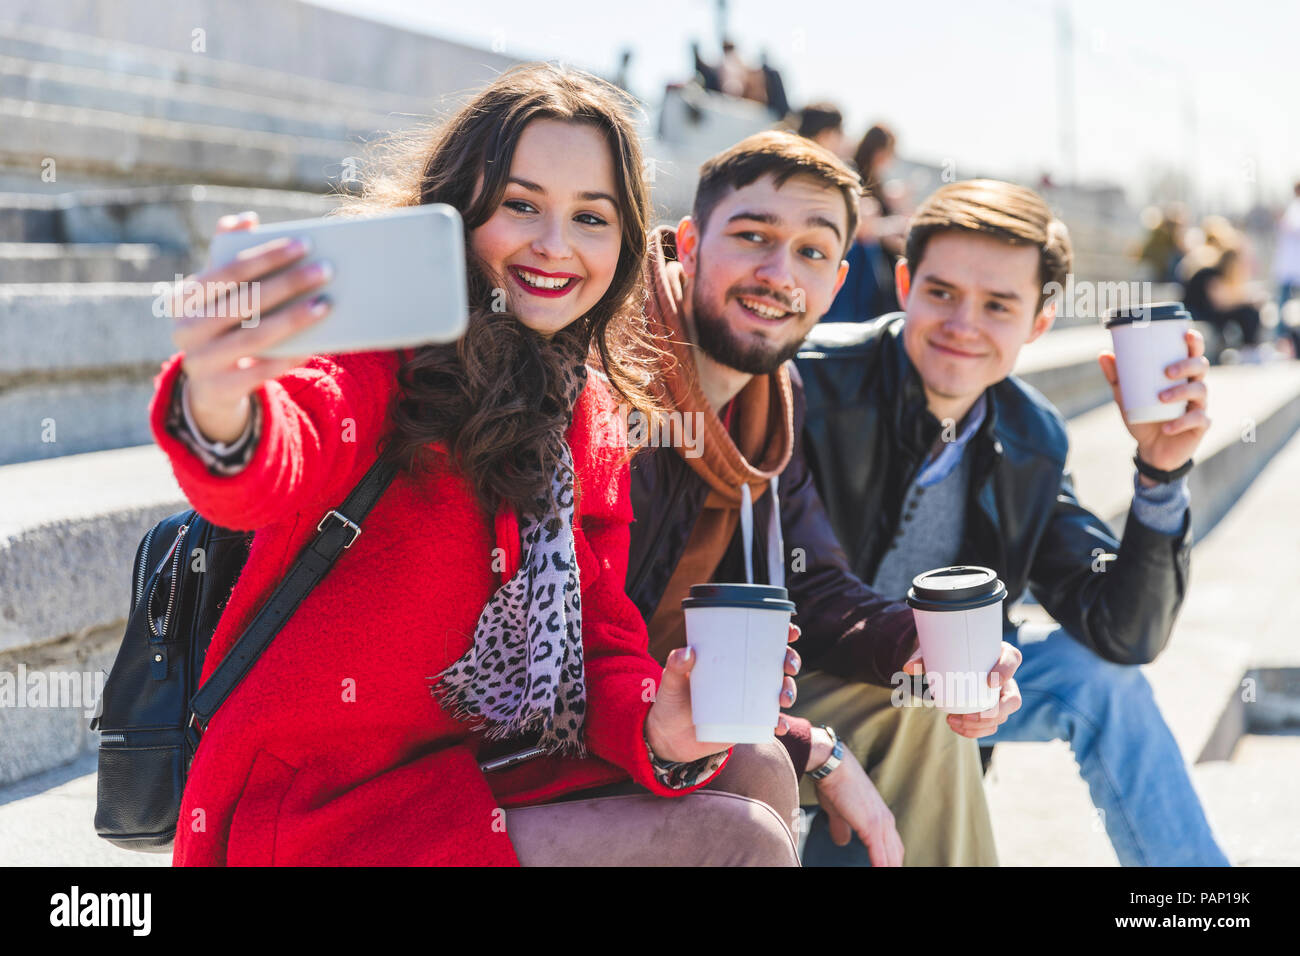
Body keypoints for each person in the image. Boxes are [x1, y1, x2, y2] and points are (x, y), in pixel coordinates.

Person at [149, 63, 800, 866]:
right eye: (521, 205)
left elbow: (600, 646)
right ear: (458, 214)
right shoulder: (383, 355)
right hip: (321, 807)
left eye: (591, 218)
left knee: (757, 765)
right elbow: (277, 455)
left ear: (626, 242)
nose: (555, 247)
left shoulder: (588, 409)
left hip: (475, 775)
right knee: (736, 842)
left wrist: (660, 726)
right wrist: (220, 398)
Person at [794, 179, 1230, 867]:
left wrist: (1159, 474)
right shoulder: (809, 384)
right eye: (942, 292)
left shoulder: (1031, 435)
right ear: (904, 283)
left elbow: (1122, 631)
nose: (964, 323)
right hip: (821, 687)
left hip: (952, 694)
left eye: (998, 304)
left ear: (1039, 322)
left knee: (1104, 682)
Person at [623, 132, 1023, 866]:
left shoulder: (779, 390)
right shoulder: (616, 378)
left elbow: (813, 579)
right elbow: (573, 659)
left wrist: (918, 650)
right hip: (620, 710)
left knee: (920, 711)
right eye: (753, 236)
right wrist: (814, 747)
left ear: (837, 284)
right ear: (689, 244)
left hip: (713, 691)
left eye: (811, 252)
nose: (780, 272)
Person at [822, 124, 903, 321]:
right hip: (858, 256)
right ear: (879, 151)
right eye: (888, 152)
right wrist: (887, 226)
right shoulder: (852, 173)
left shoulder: (881, 184)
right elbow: (862, 226)